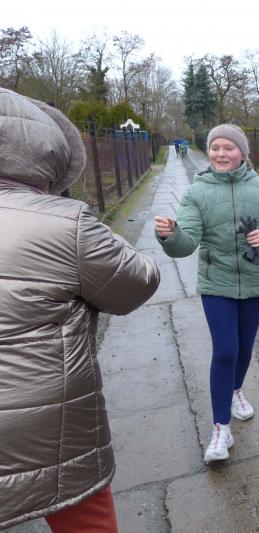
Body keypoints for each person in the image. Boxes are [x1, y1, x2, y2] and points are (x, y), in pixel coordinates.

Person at [0, 88, 160, 531]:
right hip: (50, 428)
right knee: (85, 517)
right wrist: (109, 240)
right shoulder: (65, 223)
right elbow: (136, 284)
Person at [154, 124, 259, 464]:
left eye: (228, 147)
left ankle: (235, 391)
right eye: (215, 147)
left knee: (244, 348)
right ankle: (221, 429)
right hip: (216, 283)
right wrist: (170, 235)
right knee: (226, 350)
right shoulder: (197, 193)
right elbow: (186, 244)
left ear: (242, 153)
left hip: (255, 281)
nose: (220, 153)